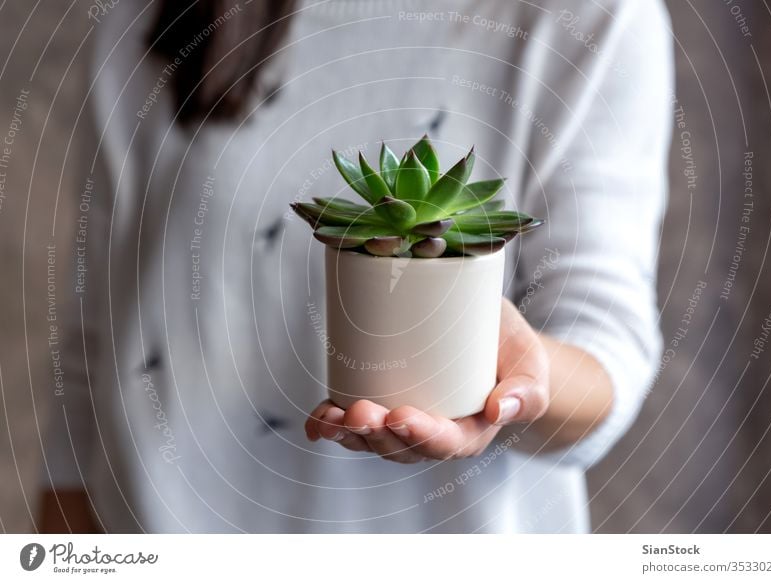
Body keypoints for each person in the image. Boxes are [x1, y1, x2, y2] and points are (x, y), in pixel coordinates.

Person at [39, 0, 673, 533]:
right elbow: (95, 337)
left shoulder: (590, 14)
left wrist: (513, 378)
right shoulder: (150, 11)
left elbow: (605, 336)